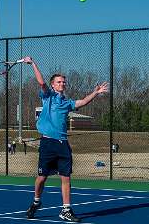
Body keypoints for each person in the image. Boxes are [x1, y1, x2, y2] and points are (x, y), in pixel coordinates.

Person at [24, 56, 108, 222]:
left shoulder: (67, 103)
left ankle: (66, 210)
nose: (62, 84)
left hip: (63, 144)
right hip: (48, 143)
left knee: (66, 177)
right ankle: (36, 201)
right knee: (42, 178)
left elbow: (83, 102)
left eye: (63, 82)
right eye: (59, 82)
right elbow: (41, 83)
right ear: (53, 84)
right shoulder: (47, 96)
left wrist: (96, 92)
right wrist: (33, 63)